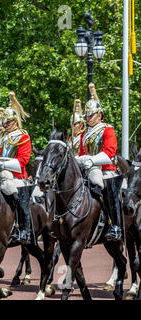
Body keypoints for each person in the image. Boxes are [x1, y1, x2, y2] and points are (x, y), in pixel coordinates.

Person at [77, 83, 121, 241]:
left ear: (99, 115)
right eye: (87, 115)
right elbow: (82, 153)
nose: (89, 118)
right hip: (88, 168)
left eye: (92, 115)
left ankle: (114, 225)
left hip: (105, 169)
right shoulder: (84, 134)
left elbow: (109, 153)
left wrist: (91, 160)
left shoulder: (107, 129)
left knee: (108, 189)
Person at [0, 91, 32, 244]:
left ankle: (24, 229)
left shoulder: (23, 136)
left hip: (16, 176)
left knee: (17, 194)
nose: (5, 124)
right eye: (4, 121)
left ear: (15, 121)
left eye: (8, 121)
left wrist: (2, 164)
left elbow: (22, 161)